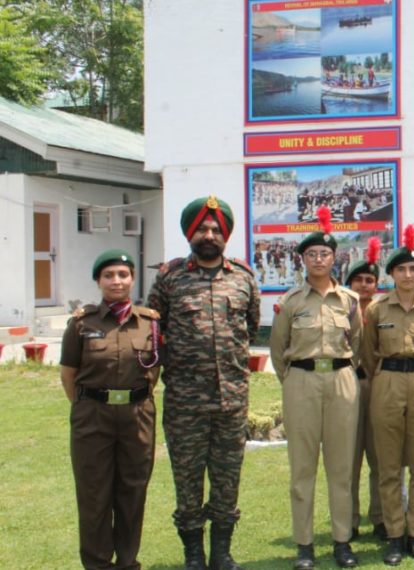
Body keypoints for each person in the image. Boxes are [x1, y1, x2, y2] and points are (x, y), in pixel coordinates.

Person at [147, 196, 259, 570]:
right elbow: (152, 331)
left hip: (231, 401)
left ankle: (222, 553)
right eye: (202, 229)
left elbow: (250, 329)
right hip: (185, 404)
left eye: (216, 229)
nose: (209, 235)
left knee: (228, 481)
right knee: (188, 481)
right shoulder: (169, 278)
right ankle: (193, 554)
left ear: (225, 236)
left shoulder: (243, 278)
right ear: (190, 234)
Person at [269, 208, 363, 569]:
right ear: (303, 259)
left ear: (334, 257)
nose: (319, 259)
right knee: (302, 469)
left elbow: (358, 343)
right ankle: (304, 544)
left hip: (341, 381)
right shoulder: (291, 302)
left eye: (324, 254)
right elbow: (278, 352)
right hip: (302, 383)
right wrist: (293, 380)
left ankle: (342, 541)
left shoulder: (350, 301)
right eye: (312, 254)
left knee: (341, 467)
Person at [62, 250, 162, 570]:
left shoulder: (150, 323)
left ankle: (128, 562)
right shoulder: (81, 324)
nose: (116, 281)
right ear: (98, 281)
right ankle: (97, 564)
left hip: (137, 416)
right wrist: (85, 406)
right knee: (94, 495)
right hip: (93, 415)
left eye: (122, 274)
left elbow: (154, 373)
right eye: (108, 275)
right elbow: (68, 374)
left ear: (132, 279)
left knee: (133, 493)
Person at [361, 225, 414, 566]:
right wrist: (385, 377)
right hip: (387, 383)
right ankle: (395, 536)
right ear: (392, 274)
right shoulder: (376, 311)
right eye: (401, 269)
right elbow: (368, 354)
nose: (408, 274)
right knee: (390, 465)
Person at [345, 238, 385, 542]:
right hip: (347, 384)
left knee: (380, 456)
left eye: (370, 280)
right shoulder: (342, 309)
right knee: (348, 457)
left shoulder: (383, 311)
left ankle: (381, 517)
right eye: (358, 280)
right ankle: (349, 519)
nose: (364, 285)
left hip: (379, 385)